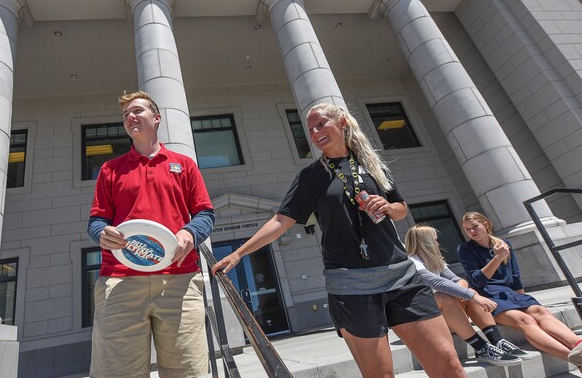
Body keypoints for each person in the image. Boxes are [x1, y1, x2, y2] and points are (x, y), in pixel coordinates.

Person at [213, 102, 466, 378]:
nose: (315, 131)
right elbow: (280, 221)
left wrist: (387, 207)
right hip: (351, 286)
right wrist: (239, 253)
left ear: (342, 123)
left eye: (321, 123)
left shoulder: (372, 164)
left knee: (449, 366)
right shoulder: (311, 176)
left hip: (401, 278)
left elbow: (401, 209)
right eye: (310, 129)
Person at [86, 91, 215, 378]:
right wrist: (101, 234)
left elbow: (206, 214)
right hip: (120, 282)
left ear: (156, 118)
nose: (130, 117)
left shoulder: (185, 164)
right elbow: (96, 221)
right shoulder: (109, 170)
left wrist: (190, 233)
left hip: (179, 281)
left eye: (137, 111)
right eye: (125, 115)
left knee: (189, 372)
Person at [458, 211, 582, 369]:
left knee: (540, 311)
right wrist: (498, 258)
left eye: (475, 227)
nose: (472, 232)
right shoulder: (465, 249)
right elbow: (477, 280)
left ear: (486, 224)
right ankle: (576, 360)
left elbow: (515, 276)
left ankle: (578, 344)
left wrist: (521, 301)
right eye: (467, 229)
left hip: (510, 293)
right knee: (526, 320)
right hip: (488, 295)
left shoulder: (504, 243)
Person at [405, 224, 527, 366]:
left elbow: (457, 280)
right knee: (447, 296)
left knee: (467, 291)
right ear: (424, 242)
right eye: (434, 240)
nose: (437, 243)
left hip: (442, 314)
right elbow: (438, 283)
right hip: (422, 319)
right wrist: (471, 295)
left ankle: (497, 340)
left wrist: (466, 292)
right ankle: (480, 347)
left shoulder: (434, 260)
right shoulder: (412, 262)